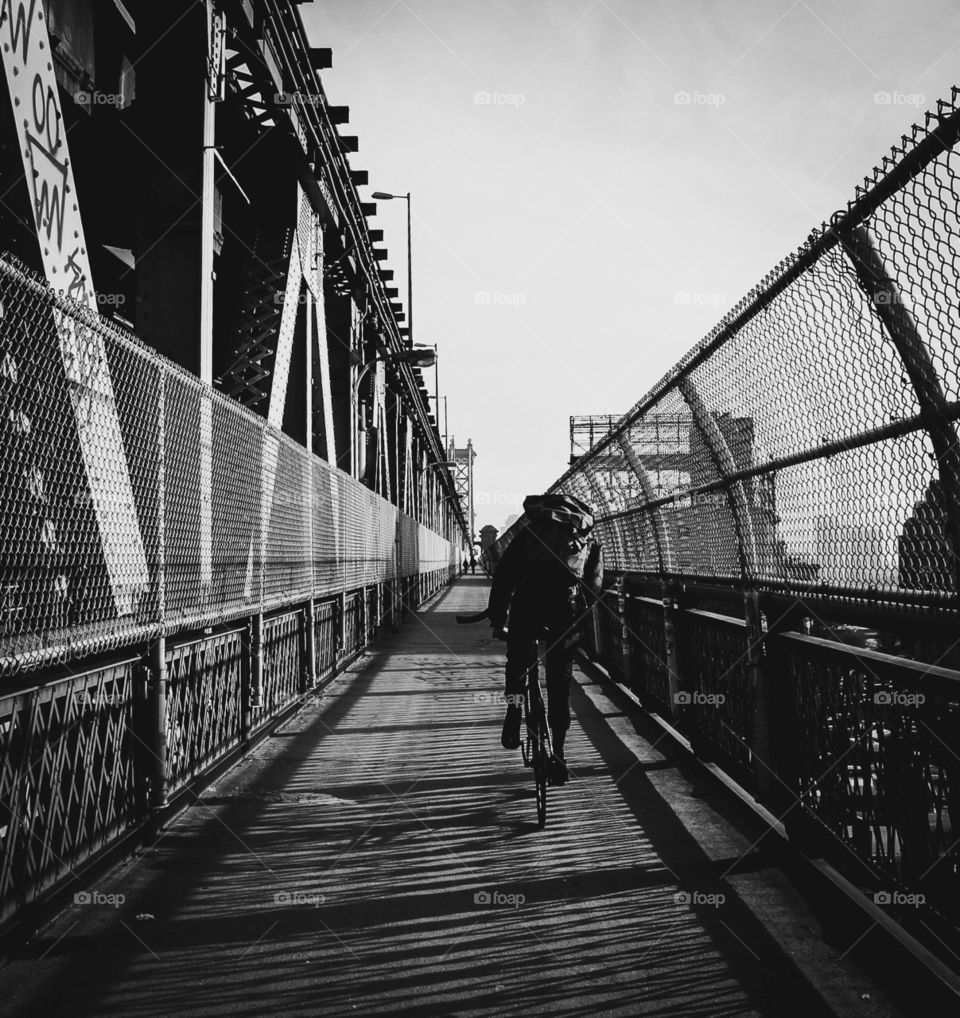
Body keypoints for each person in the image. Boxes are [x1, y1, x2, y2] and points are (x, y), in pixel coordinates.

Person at [487, 493, 603, 785]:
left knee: (518, 661)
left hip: (529, 605)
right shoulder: (586, 536)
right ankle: (560, 756)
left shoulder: (531, 532)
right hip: (564, 611)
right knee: (559, 682)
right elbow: (594, 584)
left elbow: (504, 576)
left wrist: (498, 619)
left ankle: (514, 713)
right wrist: (580, 617)